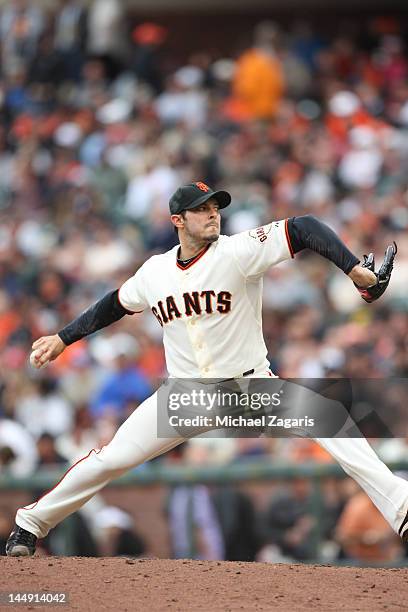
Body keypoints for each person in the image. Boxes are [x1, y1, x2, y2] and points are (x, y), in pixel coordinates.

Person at [6, 181, 407, 557]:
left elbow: (302, 228)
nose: (212, 214)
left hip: (249, 387)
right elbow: (114, 303)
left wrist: (355, 270)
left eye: (215, 207)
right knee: (110, 458)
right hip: (186, 396)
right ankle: (30, 524)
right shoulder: (155, 272)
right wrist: (63, 338)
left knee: (332, 418)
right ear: (177, 221)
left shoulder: (237, 251)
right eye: (201, 209)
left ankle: (402, 509)